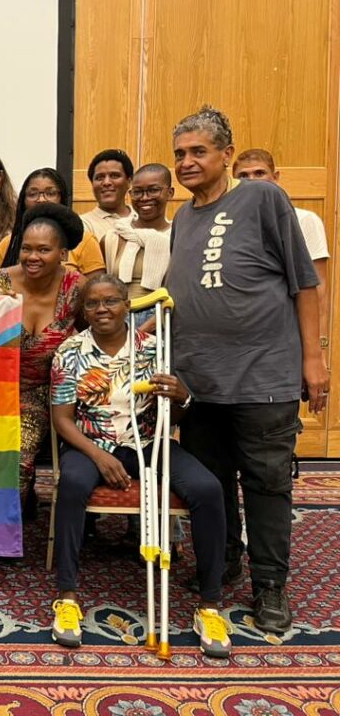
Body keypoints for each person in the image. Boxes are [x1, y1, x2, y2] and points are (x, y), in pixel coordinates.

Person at [166, 105, 326, 634]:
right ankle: (223, 562)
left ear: (227, 156)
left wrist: (314, 358)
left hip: (263, 376)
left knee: (266, 483)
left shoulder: (263, 198)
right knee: (209, 483)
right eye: (180, 155)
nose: (187, 163)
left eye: (198, 152)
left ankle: (270, 587)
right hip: (200, 382)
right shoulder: (182, 219)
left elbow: (305, 282)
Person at [49, 274, 230, 658]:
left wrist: (183, 397)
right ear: (83, 310)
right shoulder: (69, 351)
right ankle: (67, 598)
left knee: (207, 489)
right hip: (90, 445)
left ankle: (210, 605)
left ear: (127, 306)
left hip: (148, 442)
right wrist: (99, 455)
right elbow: (62, 419)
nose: (102, 310)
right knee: (71, 486)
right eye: (93, 304)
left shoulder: (154, 350)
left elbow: (175, 415)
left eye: (111, 301)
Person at [0, 204, 85, 506]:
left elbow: (95, 337)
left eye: (43, 250)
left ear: (62, 254)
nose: (32, 257)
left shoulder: (75, 288)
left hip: (39, 392)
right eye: (26, 248)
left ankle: (3, 529)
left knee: (18, 462)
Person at [233, 149, 330, 370]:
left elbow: (319, 289)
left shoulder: (305, 220)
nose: (252, 181)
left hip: (288, 338)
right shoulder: (227, 224)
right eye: (244, 176)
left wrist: (318, 348)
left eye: (260, 173)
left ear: (275, 177)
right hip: (240, 340)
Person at [0, 168, 105, 278]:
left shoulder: (85, 241)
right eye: (32, 194)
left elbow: (95, 292)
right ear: (23, 201)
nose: (41, 199)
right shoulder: (8, 244)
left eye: (50, 193)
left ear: (62, 198)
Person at [102, 163, 173, 303]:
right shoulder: (114, 237)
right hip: (120, 320)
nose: (145, 198)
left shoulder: (178, 236)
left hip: (165, 318)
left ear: (169, 193)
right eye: (137, 192)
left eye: (153, 190)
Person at [82, 149, 134, 242]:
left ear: (129, 182)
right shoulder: (83, 224)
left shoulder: (143, 217)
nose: (106, 182)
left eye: (114, 176)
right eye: (99, 177)